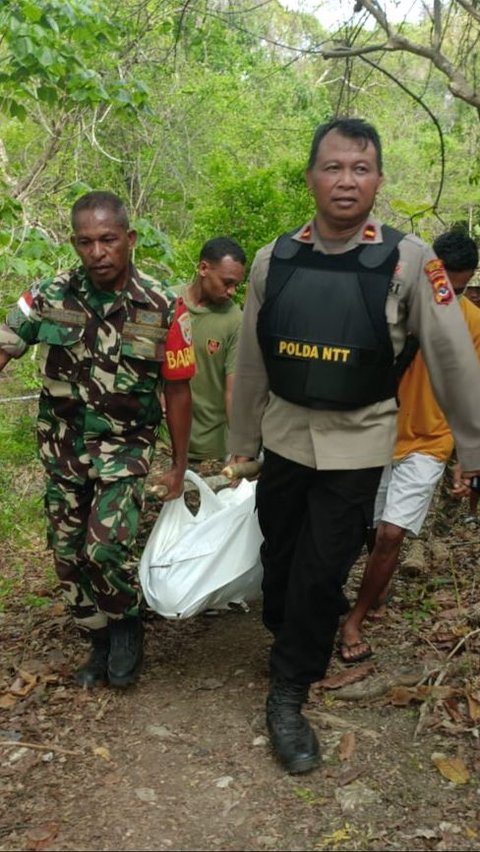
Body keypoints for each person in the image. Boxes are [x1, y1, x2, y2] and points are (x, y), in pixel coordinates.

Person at [228, 117, 480, 775]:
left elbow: (454, 360)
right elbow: (253, 361)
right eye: (334, 167)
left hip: (360, 444)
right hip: (284, 439)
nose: (347, 180)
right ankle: (290, 632)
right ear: (311, 176)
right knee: (281, 564)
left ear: (378, 181)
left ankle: (289, 691)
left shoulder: (411, 260)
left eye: (361, 168)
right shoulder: (271, 259)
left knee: (319, 570)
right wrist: (238, 442)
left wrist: (473, 453)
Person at [0, 191, 195, 689]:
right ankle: (99, 639)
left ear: (129, 239)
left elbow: (177, 388)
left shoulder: (164, 305)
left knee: (104, 550)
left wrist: (177, 463)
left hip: (124, 449)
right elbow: (5, 344)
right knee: (67, 557)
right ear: (75, 243)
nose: (98, 252)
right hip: (62, 447)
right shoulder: (49, 294)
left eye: (108, 239)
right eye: (86, 242)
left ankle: (126, 625)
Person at [339, 229, 480, 664]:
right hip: (377, 430)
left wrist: (467, 456)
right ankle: (370, 591)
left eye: (458, 289)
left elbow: (468, 389)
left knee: (392, 533)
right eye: (442, 285)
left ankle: (354, 620)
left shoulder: (472, 322)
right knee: (368, 526)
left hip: (430, 440)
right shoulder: (388, 306)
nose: (448, 297)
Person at [172, 237, 245, 463]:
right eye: (227, 282)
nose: (232, 291)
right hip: (164, 444)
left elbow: (234, 393)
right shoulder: (168, 301)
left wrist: (240, 449)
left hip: (208, 451)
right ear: (204, 268)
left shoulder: (235, 321)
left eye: (237, 285)